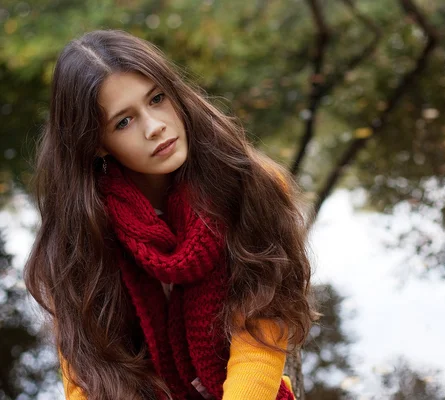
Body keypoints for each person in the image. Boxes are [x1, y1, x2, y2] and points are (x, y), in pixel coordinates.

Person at [24, 29, 318, 400]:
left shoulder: (249, 185)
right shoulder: (81, 230)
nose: (155, 126)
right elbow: (87, 366)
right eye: (124, 122)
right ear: (97, 143)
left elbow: (262, 325)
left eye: (157, 99)